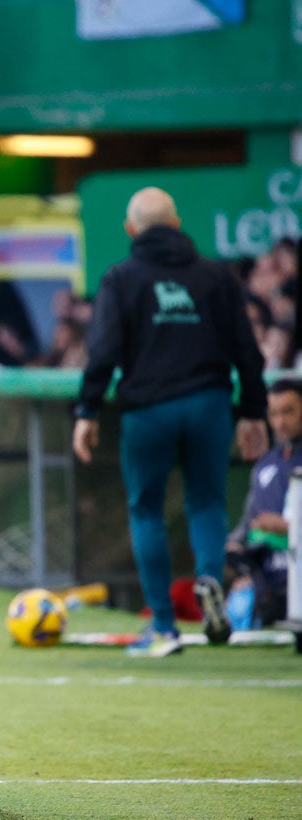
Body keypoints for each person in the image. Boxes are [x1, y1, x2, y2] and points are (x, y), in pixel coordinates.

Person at [73, 186, 268, 657]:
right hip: (209, 404)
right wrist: (253, 413)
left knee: (146, 509)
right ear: (178, 225)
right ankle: (207, 578)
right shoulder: (215, 277)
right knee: (207, 501)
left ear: (130, 229)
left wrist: (88, 410)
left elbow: (103, 352)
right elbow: (247, 349)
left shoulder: (121, 278)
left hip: (148, 410)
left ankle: (163, 626)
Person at [223, 378, 302, 631]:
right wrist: (235, 549)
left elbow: (286, 528)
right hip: (270, 583)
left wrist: (291, 529)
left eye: (288, 411)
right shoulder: (265, 465)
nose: (280, 422)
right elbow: (247, 524)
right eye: (274, 414)